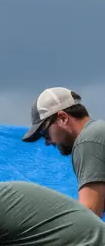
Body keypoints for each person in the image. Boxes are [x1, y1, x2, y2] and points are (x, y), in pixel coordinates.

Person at [23, 86, 105, 218]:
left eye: (45, 133)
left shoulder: (88, 140)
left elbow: (90, 216)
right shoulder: (98, 132)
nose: (47, 142)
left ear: (62, 118)